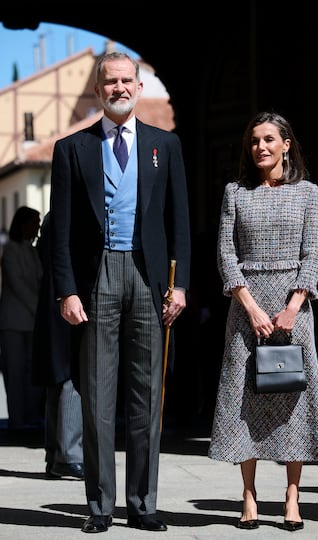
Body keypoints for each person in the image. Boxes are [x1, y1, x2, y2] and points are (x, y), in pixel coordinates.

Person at [49, 51, 191, 533]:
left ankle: (143, 503)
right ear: (98, 90)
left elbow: (180, 224)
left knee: (146, 397)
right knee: (96, 397)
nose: (119, 89)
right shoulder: (72, 149)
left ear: (139, 85)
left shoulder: (164, 146)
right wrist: (66, 291)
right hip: (96, 280)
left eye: (126, 81)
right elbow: (61, 233)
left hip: (149, 277)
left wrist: (182, 285)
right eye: (110, 82)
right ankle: (100, 506)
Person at [208, 111, 318, 532]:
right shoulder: (235, 193)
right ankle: (248, 495)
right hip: (247, 309)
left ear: (286, 144)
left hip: (293, 309)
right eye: (253, 141)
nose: (260, 147)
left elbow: (313, 251)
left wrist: (293, 305)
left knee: (292, 400)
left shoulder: (308, 193)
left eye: (268, 139)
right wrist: (249, 305)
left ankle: (292, 495)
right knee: (243, 400)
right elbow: (226, 254)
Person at [32, 212, 84, 479]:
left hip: (54, 303)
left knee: (58, 380)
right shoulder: (69, 216)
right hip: (68, 303)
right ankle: (68, 454)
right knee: (70, 376)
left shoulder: (53, 218)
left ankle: (55, 453)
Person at [0, 206, 45, 430]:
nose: (37, 226)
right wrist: (38, 308)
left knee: (30, 371)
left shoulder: (31, 250)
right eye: (34, 222)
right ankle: (18, 419)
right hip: (14, 322)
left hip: (31, 320)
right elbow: (18, 285)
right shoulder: (10, 250)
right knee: (15, 371)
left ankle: (28, 416)